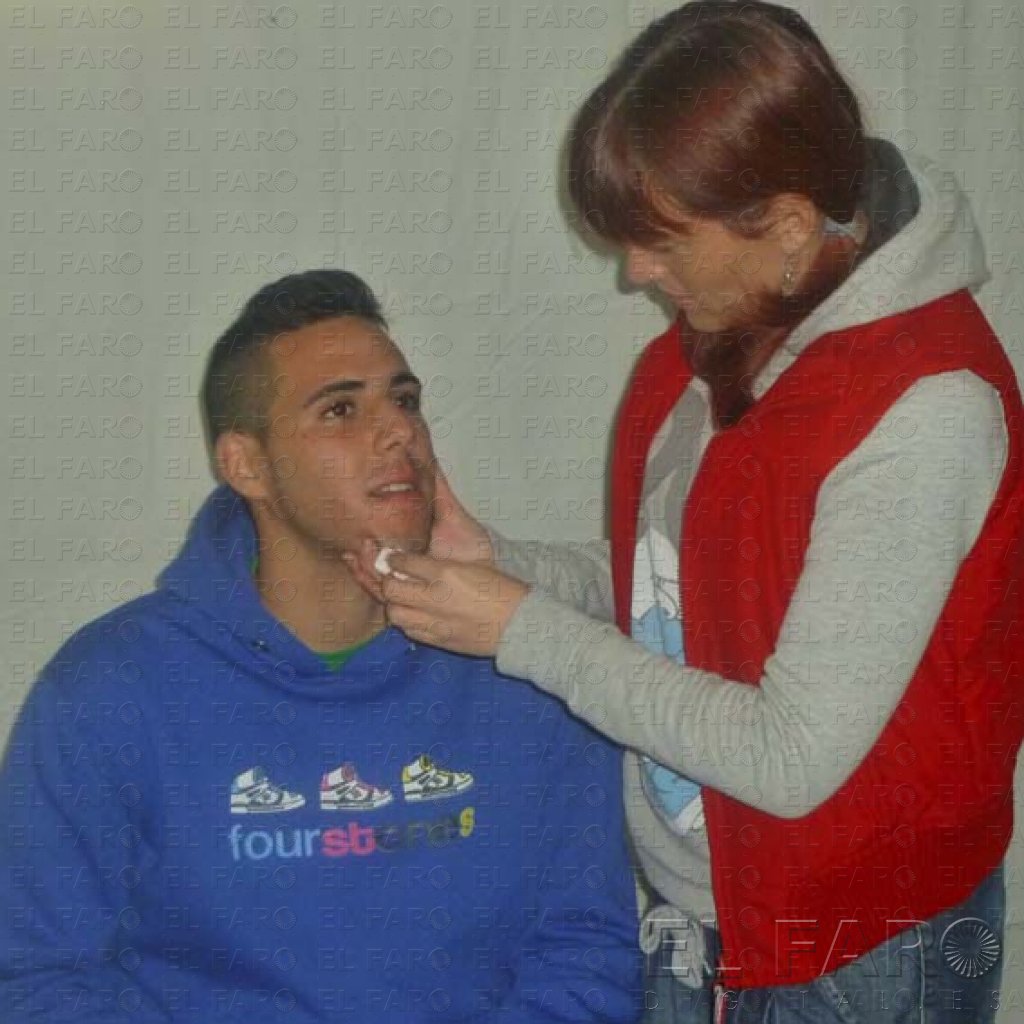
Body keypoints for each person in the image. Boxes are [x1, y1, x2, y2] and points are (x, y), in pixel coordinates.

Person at [343, 4, 1024, 1022]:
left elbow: (788, 758)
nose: (635, 273)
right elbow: (690, 584)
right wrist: (506, 566)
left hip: (858, 951)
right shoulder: (716, 336)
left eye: (662, 241)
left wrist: (523, 629)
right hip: (701, 913)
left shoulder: (926, 410)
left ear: (786, 225)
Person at [0, 270, 642, 1023]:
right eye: (341, 409)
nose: (398, 432)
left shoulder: (524, 664)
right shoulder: (108, 690)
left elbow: (586, 953)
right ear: (246, 465)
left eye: (405, 401)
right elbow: (40, 975)